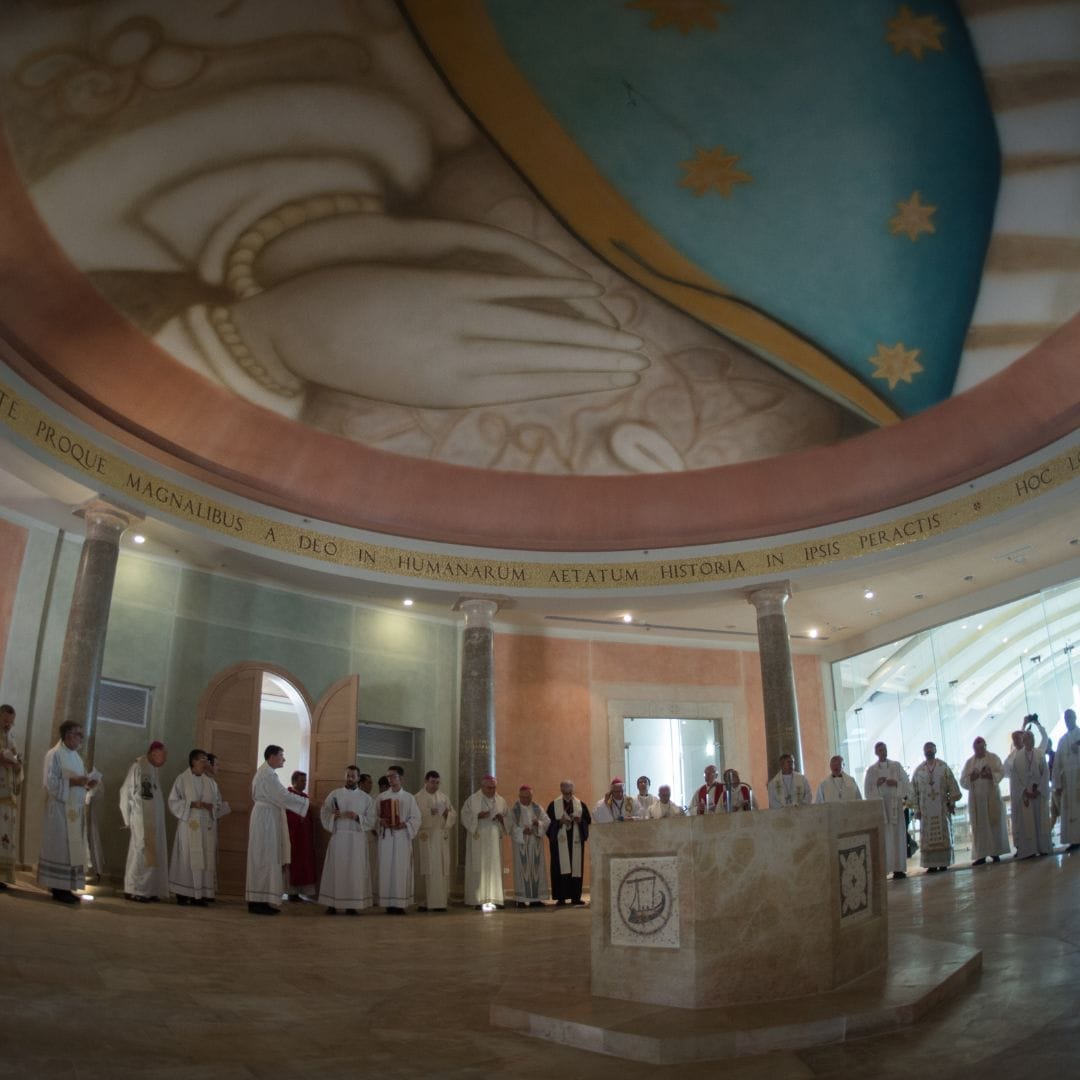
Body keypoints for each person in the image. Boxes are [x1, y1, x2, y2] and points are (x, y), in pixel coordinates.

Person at [37, 720, 100, 904]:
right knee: (61, 849)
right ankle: (58, 889)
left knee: (70, 850)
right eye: (78, 734)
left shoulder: (76, 757)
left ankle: (65, 887)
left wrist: (88, 784)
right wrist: (74, 782)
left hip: (73, 811)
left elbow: (79, 783)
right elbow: (51, 785)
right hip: (59, 811)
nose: (81, 738)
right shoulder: (54, 754)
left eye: (81, 734)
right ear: (67, 735)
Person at [246, 744, 309, 915]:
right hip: (264, 819)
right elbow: (283, 795)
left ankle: (264, 899)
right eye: (281, 755)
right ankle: (257, 901)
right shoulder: (267, 775)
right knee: (262, 858)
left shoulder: (268, 773)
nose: (284, 759)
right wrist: (307, 802)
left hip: (269, 817)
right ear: (272, 757)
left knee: (269, 858)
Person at [167, 748, 222, 905]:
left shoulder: (210, 782)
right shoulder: (182, 779)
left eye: (206, 760)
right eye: (202, 759)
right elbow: (173, 801)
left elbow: (217, 802)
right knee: (187, 857)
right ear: (194, 762)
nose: (206, 763)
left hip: (205, 825)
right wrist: (191, 804)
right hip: (189, 824)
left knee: (204, 857)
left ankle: (200, 894)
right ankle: (183, 893)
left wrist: (212, 807)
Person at [318, 765, 375, 915]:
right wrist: (333, 816)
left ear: (358, 778)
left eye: (353, 776)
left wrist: (357, 817)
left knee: (354, 872)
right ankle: (332, 903)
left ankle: (352, 904)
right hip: (339, 837)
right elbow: (324, 812)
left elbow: (371, 820)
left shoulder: (366, 798)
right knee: (335, 869)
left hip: (356, 839)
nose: (350, 778)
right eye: (348, 775)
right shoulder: (334, 794)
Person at [119, 740, 170, 902]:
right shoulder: (139, 768)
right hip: (141, 821)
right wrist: (127, 820)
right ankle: (134, 889)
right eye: (164, 755)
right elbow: (125, 793)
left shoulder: (152, 770)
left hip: (153, 823)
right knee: (140, 853)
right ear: (154, 753)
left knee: (151, 854)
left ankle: (148, 890)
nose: (165, 759)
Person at [910, 741, 962, 872]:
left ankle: (944, 862)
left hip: (942, 807)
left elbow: (952, 787)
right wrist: (916, 809)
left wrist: (952, 803)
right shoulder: (919, 770)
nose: (929, 752)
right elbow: (913, 792)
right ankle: (931, 864)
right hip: (926, 810)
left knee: (943, 835)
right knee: (928, 837)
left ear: (935, 751)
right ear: (924, 752)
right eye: (927, 750)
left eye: (931, 750)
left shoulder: (943, 767)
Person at [863, 742, 911, 879]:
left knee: (897, 836)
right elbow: (867, 792)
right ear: (876, 753)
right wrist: (877, 785)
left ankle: (899, 868)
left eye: (884, 748)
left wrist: (896, 784)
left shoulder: (896, 766)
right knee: (885, 838)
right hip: (882, 809)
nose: (882, 751)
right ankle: (886, 868)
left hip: (895, 807)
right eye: (879, 749)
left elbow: (907, 785)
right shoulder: (871, 771)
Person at [376, 764, 420, 913]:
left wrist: (405, 825)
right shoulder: (382, 797)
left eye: (393, 776)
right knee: (387, 870)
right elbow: (373, 817)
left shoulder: (409, 798)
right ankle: (388, 904)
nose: (390, 779)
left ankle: (400, 904)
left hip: (402, 839)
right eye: (388, 776)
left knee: (401, 871)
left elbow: (416, 819)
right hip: (387, 838)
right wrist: (380, 821)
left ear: (401, 778)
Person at [461, 774, 508, 910]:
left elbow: (507, 817)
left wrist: (501, 818)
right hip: (479, 837)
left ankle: (496, 898)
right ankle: (479, 899)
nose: (492, 790)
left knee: (494, 867)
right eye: (489, 788)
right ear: (482, 787)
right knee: (478, 867)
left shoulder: (501, 800)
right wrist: (477, 816)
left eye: (494, 787)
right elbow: (464, 816)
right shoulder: (473, 800)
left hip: (493, 838)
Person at [960, 736, 1009, 865]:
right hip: (977, 801)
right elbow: (963, 781)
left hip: (991, 796)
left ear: (985, 747)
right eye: (976, 749)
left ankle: (995, 853)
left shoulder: (993, 758)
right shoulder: (969, 762)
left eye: (981, 748)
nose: (979, 751)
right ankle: (981, 855)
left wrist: (991, 775)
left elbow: (1002, 772)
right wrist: (972, 777)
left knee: (993, 825)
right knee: (980, 827)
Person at [413, 769, 456, 912]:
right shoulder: (417, 797)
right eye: (432, 782)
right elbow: (413, 816)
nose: (435, 785)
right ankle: (424, 902)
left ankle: (440, 902)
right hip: (426, 837)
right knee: (426, 867)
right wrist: (427, 813)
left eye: (438, 782)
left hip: (440, 837)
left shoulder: (444, 797)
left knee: (441, 868)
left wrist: (446, 814)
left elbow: (453, 815)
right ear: (426, 781)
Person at [546, 780, 590, 906]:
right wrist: (559, 823)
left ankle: (576, 897)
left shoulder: (580, 804)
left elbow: (588, 822)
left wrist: (580, 821)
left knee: (576, 868)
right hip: (560, 844)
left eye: (570, 788)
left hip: (575, 841)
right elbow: (547, 824)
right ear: (561, 789)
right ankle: (561, 897)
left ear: (573, 789)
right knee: (560, 868)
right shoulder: (553, 805)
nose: (568, 790)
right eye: (565, 788)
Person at [1010, 728, 1052, 858]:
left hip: (1038, 794)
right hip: (1026, 796)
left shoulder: (1039, 754)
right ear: (1024, 741)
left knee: (1041, 821)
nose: (1032, 741)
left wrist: (1039, 790)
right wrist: (1025, 791)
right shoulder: (1017, 758)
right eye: (1029, 739)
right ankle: (1029, 850)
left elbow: (1045, 774)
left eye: (1033, 738)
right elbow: (1015, 779)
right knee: (1028, 823)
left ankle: (1043, 847)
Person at [507, 785, 550, 907]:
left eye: (529, 797)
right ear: (519, 796)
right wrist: (521, 831)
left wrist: (538, 824)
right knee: (522, 870)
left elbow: (547, 821)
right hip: (521, 844)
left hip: (535, 843)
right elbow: (511, 826)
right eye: (524, 797)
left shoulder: (537, 808)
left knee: (537, 870)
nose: (526, 799)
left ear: (532, 796)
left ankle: (536, 899)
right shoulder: (514, 810)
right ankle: (521, 899)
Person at [0, 705, 23, 889]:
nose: (8, 724)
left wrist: (17, 765)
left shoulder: (11, 737)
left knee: (4, 834)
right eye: (5, 720)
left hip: (7, 795)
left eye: (10, 721)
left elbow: (16, 759)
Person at [286, 769, 318, 902]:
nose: (304, 783)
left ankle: (300, 892)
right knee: (293, 863)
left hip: (304, 837)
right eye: (301, 781)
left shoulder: (305, 797)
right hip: (293, 835)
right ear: (294, 781)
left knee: (304, 863)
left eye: (305, 781)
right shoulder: (288, 795)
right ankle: (291, 892)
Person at [1052, 708, 1080, 850]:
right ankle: (1073, 840)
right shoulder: (1062, 740)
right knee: (1070, 811)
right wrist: (1057, 783)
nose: (1068, 720)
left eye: (1070, 717)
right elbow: (1057, 763)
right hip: (1067, 783)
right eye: (1066, 718)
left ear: (1075, 717)